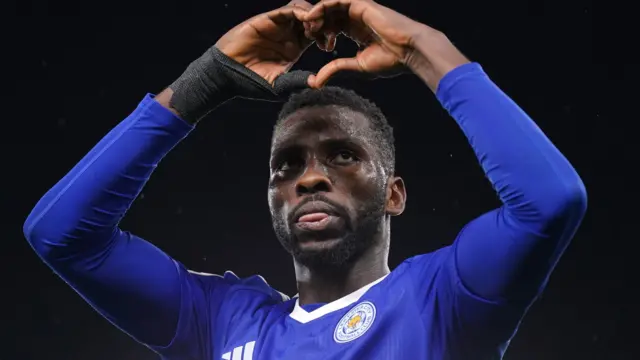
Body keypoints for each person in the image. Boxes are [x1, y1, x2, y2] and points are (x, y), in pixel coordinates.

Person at [24, 0, 587, 359]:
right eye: (286, 165)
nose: (310, 178)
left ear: (393, 194)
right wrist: (199, 88)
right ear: (271, 199)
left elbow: (549, 202)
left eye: (342, 156)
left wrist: (422, 49)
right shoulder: (219, 321)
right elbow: (61, 235)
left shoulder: (442, 298)